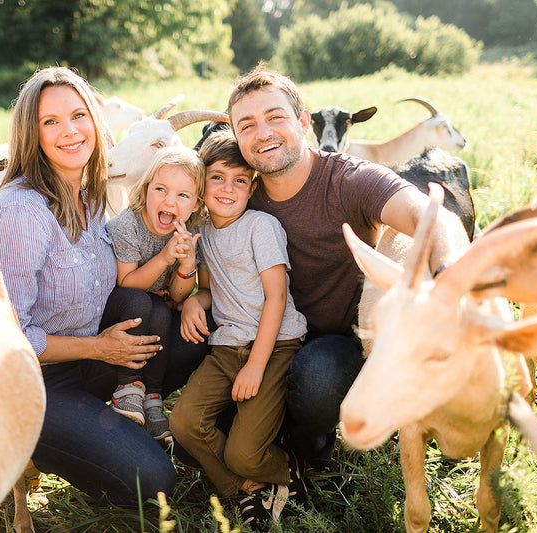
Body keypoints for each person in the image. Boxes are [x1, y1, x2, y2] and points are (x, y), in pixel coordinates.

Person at [224, 65, 471, 468]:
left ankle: (313, 453)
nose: (263, 133)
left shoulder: (349, 179)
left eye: (275, 117)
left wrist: (446, 273)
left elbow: (431, 215)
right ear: (237, 139)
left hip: (342, 338)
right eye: (247, 125)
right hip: (268, 334)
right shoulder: (239, 195)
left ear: (304, 121)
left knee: (316, 382)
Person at [0, 66, 183, 506]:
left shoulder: (90, 193)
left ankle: (119, 416)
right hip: (36, 384)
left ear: (94, 119)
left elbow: (121, 286)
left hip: (93, 356)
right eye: (50, 122)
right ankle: (37, 448)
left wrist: (191, 288)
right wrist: (98, 349)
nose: (69, 132)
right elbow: (5, 340)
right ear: (31, 134)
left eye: (77, 116)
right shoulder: (20, 213)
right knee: (154, 481)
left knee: (192, 333)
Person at [170, 129, 308, 529]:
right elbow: (212, 289)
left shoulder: (260, 226)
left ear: (253, 187)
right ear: (201, 183)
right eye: (217, 177)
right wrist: (195, 299)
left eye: (240, 180)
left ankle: (285, 469)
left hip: (275, 344)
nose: (227, 189)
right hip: (228, 346)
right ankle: (246, 487)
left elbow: (276, 299)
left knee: (243, 452)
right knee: (182, 422)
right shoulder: (205, 232)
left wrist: (255, 367)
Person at [105, 146, 205, 441]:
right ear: (146, 188)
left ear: (196, 205)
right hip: (119, 308)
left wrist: (186, 264)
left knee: (162, 310)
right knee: (142, 301)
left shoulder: (189, 230)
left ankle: (153, 398)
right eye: (160, 189)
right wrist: (163, 259)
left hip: (154, 308)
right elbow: (126, 282)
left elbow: (177, 295)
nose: (169, 201)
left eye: (182, 196)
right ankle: (127, 387)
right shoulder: (127, 226)